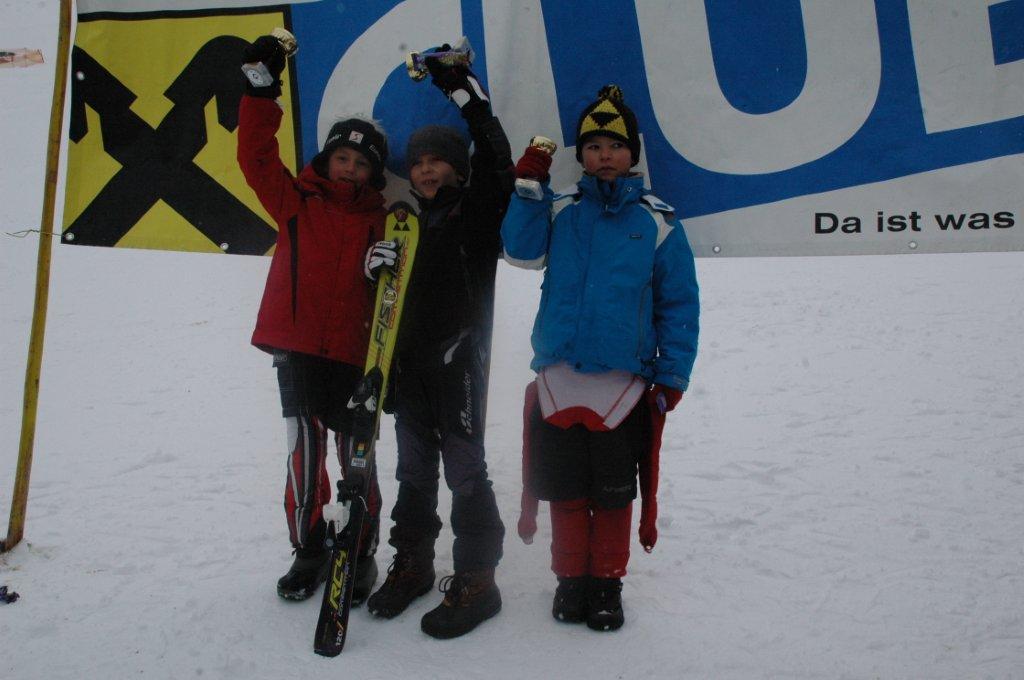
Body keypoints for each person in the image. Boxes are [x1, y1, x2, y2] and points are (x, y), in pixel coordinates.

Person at [501, 85, 700, 631]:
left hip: (623, 385)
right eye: (593, 146)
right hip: (559, 378)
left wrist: (673, 372)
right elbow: (519, 252)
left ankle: (607, 584)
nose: (604, 155)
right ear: (581, 155)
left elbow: (679, 302)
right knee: (565, 491)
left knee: (613, 494)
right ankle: (570, 581)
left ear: (632, 154)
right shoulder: (560, 208)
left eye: (615, 145)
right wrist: (527, 192)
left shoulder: (659, 221)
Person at [364, 51, 513, 640]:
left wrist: (466, 96)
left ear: (457, 168)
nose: (426, 171)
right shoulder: (405, 224)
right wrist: (374, 271)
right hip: (410, 370)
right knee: (414, 473)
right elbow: (391, 306)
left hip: (460, 367)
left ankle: (478, 579)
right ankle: (414, 564)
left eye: (437, 162)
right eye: (418, 163)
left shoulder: (476, 212)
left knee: (466, 473)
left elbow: (497, 163)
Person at [236, 35, 387, 603]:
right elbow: (255, 158)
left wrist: (384, 270)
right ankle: (309, 547)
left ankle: (359, 550)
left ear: (373, 173)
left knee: (357, 458)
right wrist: (261, 94)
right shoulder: (295, 202)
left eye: (361, 163)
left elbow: (395, 294)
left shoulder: (384, 221)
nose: (350, 169)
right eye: (343, 158)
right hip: (298, 350)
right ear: (327, 159)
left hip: (354, 355)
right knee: (304, 454)